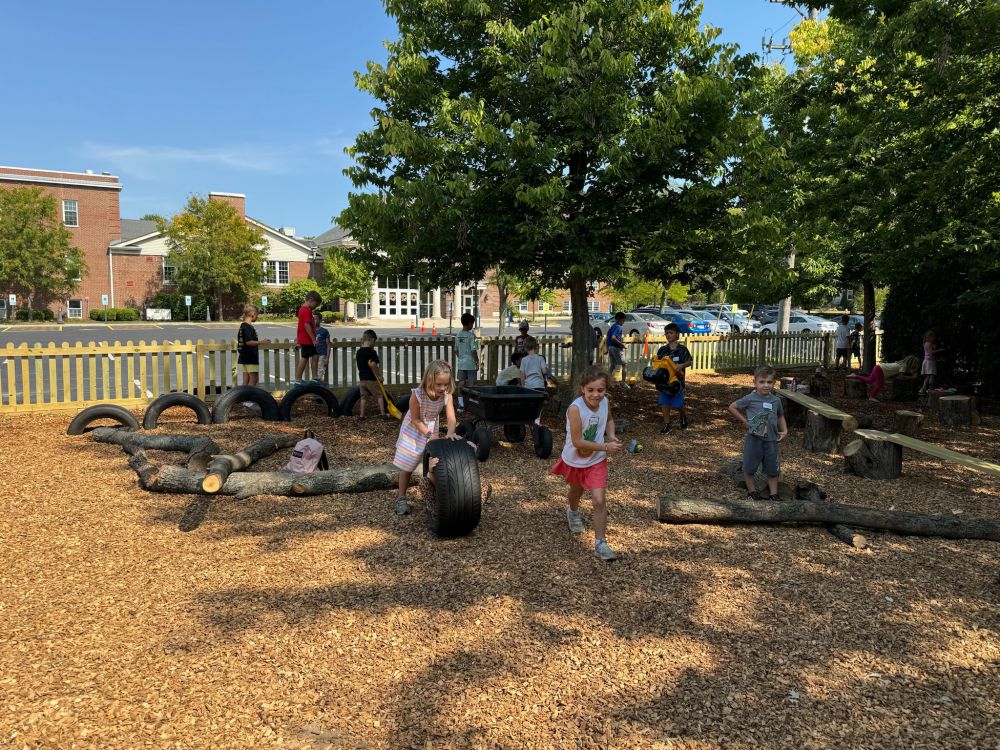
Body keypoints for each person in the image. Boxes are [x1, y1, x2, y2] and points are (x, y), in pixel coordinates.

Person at [550, 366, 623, 561]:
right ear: (582, 388)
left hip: (596, 460)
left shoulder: (605, 402)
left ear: (605, 389)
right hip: (575, 460)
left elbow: (609, 420)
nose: (596, 395)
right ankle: (573, 511)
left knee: (599, 500)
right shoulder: (575, 409)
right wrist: (606, 446)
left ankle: (601, 544)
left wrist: (611, 436)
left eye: (600, 390)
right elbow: (577, 442)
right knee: (576, 492)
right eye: (590, 390)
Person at [392, 360, 459, 515]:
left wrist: (450, 433)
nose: (443, 388)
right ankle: (401, 498)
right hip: (414, 430)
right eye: (438, 384)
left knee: (434, 461)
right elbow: (415, 419)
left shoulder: (446, 394)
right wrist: (428, 434)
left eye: (445, 384)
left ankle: (436, 493)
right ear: (429, 380)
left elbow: (451, 417)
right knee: (408, 465)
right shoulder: (418, 394)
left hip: (431, 427)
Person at [728, 366, 788, 502]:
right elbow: (732, 407)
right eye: (762, 382)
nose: (766, 385)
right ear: (754, 382)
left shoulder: (776, 400)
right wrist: (744, 421)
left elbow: (780, 415)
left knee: (773, 469)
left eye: (769, 382)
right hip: (754, 439)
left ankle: (774, 494)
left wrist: (784, 430)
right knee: (749, 467)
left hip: (771, 440)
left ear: (774, 383)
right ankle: (752, 492)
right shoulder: (750, 398)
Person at [655, 323, 693, 433]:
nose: (668, 335)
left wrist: (681, 365)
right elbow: (658, 363)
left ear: (677, 334)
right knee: (664, 403)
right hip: (664, 381)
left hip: (677, 381)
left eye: (671, 333)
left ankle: (683, 416)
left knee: (678, 404)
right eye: (666, 333)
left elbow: (689, 362)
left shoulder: (682, 349)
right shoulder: (662, 350)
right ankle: (667, 425)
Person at [846, 355, 920, 401]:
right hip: (880, 369)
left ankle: (854, 375)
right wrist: (912, 377)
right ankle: (871, 396)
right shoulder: (903, 366)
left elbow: (898, 374)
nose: (913, 368)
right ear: (910, 364)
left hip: (878, 367)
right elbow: (902, 377)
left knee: (869, 380)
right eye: (913, 366)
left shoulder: (901, 364)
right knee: (880, 384)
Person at [237, 304, 270, 386]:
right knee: (254, 378)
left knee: (246, 379)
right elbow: (248, 342)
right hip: (250, 356)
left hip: (244, 356)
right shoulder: (247, 327)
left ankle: (244, 393)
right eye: (257, 314)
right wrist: (262, 342)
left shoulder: (243, 326)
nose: (257, 317)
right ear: (252, 314)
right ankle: (250, 394)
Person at [293, 290, 322, 384]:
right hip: (307, 340)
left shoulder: (305, 310)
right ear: (311, 300)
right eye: (316, 304)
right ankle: (297, 379)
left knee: (315, 356)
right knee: (304, 358)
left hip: (307, 339)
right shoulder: (306, 310)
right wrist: (313, 339)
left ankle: (314, 377)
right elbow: (306, 325)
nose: (316, 306)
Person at [356, 329, 385, 419]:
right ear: (371, 339)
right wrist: (379, 376)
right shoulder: (372, 352)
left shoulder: (359, 352)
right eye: (374, 341)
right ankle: (383, 414)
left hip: (362, 379)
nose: (374, 344)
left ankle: (361, 415)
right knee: (379, 395)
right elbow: (373, 364)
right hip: (371, 379)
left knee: (363, 397)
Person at [454, 312, 479, 410]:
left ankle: (461, 405)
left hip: (461, 363)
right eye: (472, 323)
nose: (472, 325)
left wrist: (461, 358)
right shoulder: (472, 336)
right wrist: (477, 362)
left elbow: (456, 350)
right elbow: (473, 351)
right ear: (469, 323)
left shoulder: (458, 335)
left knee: (461, 383)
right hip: (471, 364)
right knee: (472, 384)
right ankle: (471, 404)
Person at [606, 312, 627, 387]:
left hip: (610, 347)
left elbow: (607, 338)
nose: (623, 322)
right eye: (623, 320)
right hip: (616, 348)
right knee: (624, 365)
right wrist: (621, 344)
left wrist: (607, 348)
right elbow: (613, 338)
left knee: (612, 365)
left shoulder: (612, 326)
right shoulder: (618, 327)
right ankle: (623, 383)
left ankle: (606, 381)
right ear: (618, 319)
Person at [919, 330, 944, 394]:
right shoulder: (929, 344)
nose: (934, 338)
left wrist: (933, 347)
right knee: (931, 375)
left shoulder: (926, 343)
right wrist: (939, 350)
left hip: (928, 361)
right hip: (929, 362)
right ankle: (930, 388)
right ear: (929, 337)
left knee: (928, 376)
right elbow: (931, 352)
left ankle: (924, 389)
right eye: (933, 337)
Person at [314, 311, 330, 382]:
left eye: (315, 319)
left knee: (320, 373)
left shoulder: (324, 331)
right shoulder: (310, 330)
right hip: (313, 355)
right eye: (312, 319)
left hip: (321, 355)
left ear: (320, 320)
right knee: (314, 373)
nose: (314, 321)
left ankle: (319, 385)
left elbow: (328, 345)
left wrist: (327, 358)